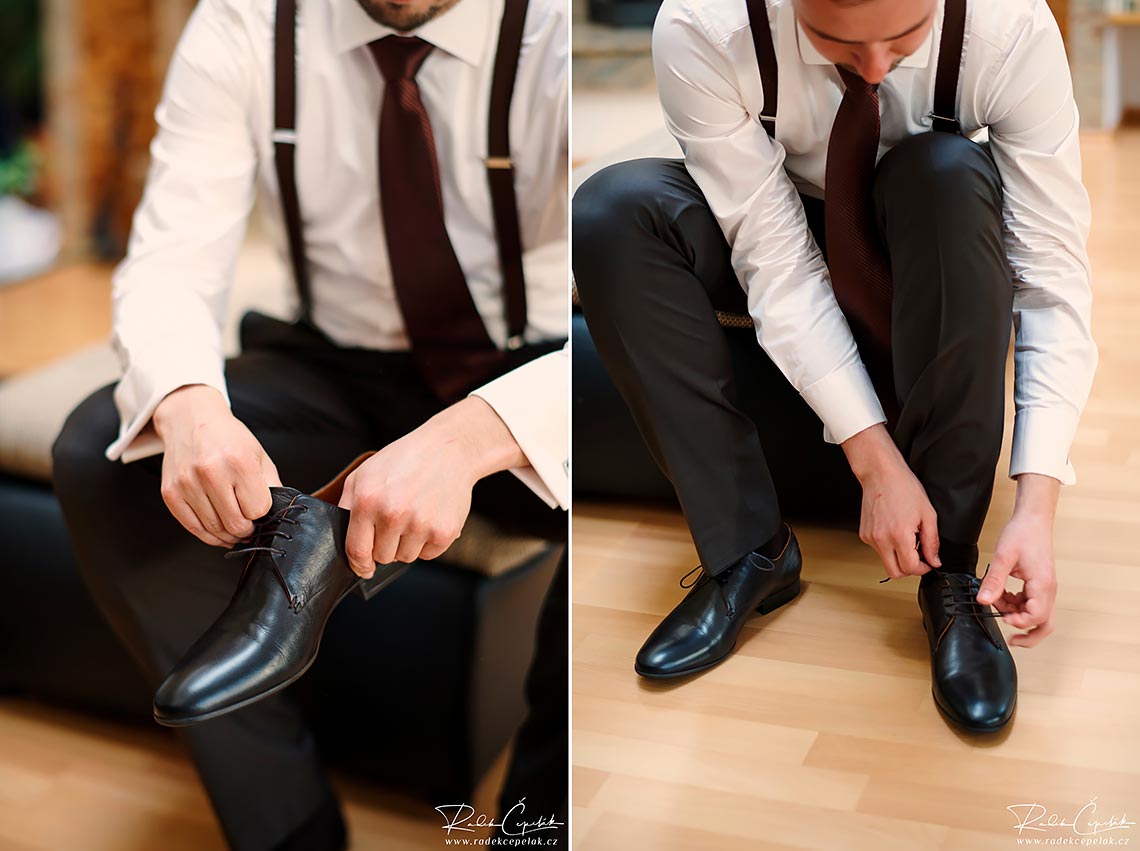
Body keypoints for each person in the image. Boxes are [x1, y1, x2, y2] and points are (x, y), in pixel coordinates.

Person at [50, 0, 569, 847]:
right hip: (335, 363)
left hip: (532, 370)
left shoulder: (552, 29)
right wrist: (186, 405)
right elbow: (171, 254)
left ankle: (535, 831)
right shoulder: (245, 23)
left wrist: (468, 436)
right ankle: (289, 829)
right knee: (98, 452)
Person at [573, 0, 1095, 733]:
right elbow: (776, 263)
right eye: (835, 41)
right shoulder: (704, 24)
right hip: (779, 232)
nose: (876, 67)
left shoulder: (1007, 29)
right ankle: (750, 553)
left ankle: (951, 575)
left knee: (944, 169)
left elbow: (1051, 277)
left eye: (905, 38)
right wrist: (876, 464)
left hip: (922, 248)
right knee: (609, 208)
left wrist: (1037, 506)